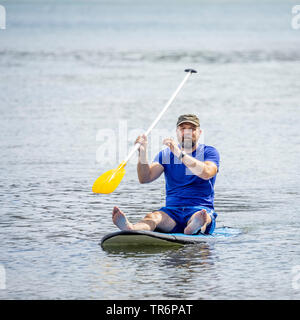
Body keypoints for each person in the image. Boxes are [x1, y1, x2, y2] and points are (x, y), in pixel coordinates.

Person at [112, 114, 220, 235]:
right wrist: (142, 153)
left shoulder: (209, 152)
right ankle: (132, 228)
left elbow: (206, 173)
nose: (187, 132)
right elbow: (145, 178)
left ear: (199, 132)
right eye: (183, 128)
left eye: (192, 129)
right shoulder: (166, 155)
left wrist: (180, 154)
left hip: (200, 209)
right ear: (177, 132)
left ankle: (193, 227)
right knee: (153, 217)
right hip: (172, 213)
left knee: (200, 217)